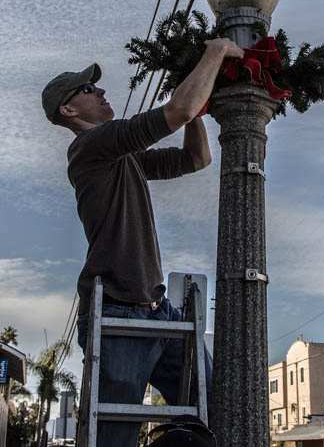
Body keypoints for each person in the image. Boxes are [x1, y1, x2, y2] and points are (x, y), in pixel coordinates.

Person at [41, 38, 244, 447]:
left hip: (160, 312)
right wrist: (215, 52)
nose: (100, 91)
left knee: (213, 408)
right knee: (114, 436)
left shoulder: (125, 158)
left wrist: (196, 111)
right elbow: (178, 110)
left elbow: (196, 159)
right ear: (69, 110)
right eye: (87, 89)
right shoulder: (91, 147)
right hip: (117, 311)